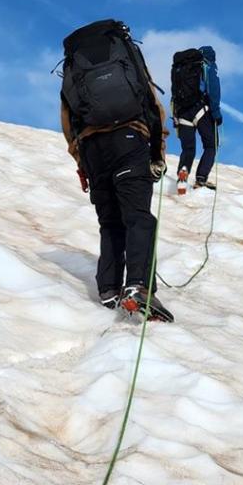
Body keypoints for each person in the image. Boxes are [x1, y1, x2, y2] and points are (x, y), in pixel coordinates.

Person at [59, 20, 172, 320]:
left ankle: (108, 288)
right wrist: (157, 154)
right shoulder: (126, 56)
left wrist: (83, 165)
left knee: (110, 223)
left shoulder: (73, 68)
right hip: (129, 139)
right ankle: (138, 286)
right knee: (139, 218)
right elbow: (151, 104)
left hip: (93, 151)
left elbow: (69, 123)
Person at [171, 45, 221, 192]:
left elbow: (174, 93)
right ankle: (201, 179)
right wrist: (216, 114)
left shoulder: (180, 68)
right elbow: (213, 90)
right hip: (200, 110)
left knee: (188, 149)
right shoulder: (207, 66)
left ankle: (183, 174)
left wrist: (175, 116)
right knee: (211, 145)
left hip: (181, 112)